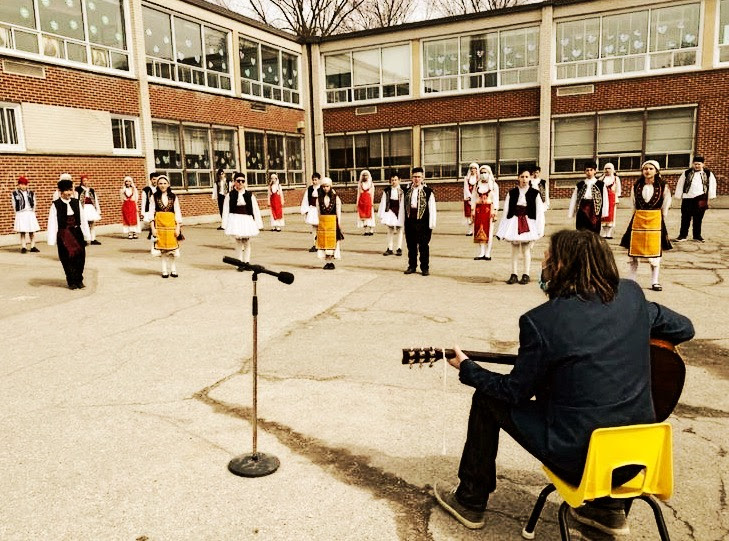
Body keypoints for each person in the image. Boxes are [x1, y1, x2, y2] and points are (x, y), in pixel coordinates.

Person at [435, 229, 694, 535]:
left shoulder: (541, 321)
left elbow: (514, 392)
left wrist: (468, 368)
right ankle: (606, 511)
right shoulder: (632, 296)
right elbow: (684, 328)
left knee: (487, 400)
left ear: (561, 267)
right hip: (638, 457)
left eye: (547, 260)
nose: (543, 267)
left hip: (581, 458)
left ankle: (470, 502)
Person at [620, 160, 672, 292]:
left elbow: (666, 202)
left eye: (650, 169)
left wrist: (662, 217)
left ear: (656, 171)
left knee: (654, 253)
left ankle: (655, 281)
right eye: (645, 169)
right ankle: (631, 280)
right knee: (633, 252)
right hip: (638, 219)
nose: (647, 171)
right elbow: (633, 202)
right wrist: (634, 216)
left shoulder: (663, 186)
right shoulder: (637, 185)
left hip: (655, 220)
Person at [495, 168, 545, 284]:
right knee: (514, 249)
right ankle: (514, 274)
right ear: (518, 178)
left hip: (528, 221)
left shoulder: (534, 193)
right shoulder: (512, 193)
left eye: (527, 177)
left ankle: (526, 274)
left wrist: (539, 229)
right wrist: (503, 229)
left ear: (530, 178)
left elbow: (539, 212)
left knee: (526, 249)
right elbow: (506, 211)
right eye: (522, 177)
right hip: (514, 221)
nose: (524, 179)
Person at [47, 178, 91, 289]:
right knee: (67, 258)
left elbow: (83, 219)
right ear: (60, 192)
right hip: (64, 235)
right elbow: (52, 222)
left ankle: (79, 279)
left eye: (70, 190)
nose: (68, 193)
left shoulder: (76, 203)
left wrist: (87, 235)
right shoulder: (56, 205)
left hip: (76, 233)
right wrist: (52, 239)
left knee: (80, 257)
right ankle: (71, 280)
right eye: (66, 191)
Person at [401, 167, 437, 276]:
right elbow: (403, 208)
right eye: (415, 177)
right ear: (411, 178)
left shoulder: (428, 192)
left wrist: (432, 223)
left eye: (419, 177)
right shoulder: (406, 191)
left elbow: (432, 208)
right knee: (411, 245)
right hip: (410, 222)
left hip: (423, 223)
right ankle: (412, 266)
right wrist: (401, 222)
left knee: (423, 246)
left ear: (423, 178)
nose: (417, 179)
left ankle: (425, 267)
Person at [674, 155, 717, 242]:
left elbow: (712, 185)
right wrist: (678, 195)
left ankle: (697, 236)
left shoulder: (708, 173)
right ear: (693, 164)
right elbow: (680, 184)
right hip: (688, 197)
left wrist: (711, 196)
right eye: (695, 164)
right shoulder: (687, 173)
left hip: (701, 198)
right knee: (685, 217)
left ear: (703, 164)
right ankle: (683, 235)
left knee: (698, 218)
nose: (697, 166)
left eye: (699, 164)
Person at [222, 172, 263, 264]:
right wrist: (225, 223)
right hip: (235, 219)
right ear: (234, 182)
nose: (240, 183)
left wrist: (258, 223)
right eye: (238, 181)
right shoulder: (230, 195)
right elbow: (225, 210)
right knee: (238, 242)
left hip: (246, 219)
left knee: (247, 241)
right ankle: (239, 262)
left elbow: (255, 209)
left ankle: (246, 262)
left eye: (242, 181)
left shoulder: (249, 195)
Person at [150, 175, 182, 278]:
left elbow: (177, 212)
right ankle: (164, 270)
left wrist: (178, 228)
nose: (162, 185)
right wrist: (153, 228)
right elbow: (151, 213)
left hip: (171, 226)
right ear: (157, 185)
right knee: (163, 250)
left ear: (168, 184)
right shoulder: (154, 197)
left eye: (164, 183)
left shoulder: (173, 196)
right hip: (160, 226)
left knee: (172, 250)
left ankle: (173, 269)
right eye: (160, 183)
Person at [567, 160, 609, 234]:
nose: (589, 172)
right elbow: (574, 199)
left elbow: (605, 199)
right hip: (582, 208)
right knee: (581, 229)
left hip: (595, 209)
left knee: (594, 229)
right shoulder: (580, 185)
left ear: (595, 171)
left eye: (591, 170)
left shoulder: (601, 184)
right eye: (587, 170)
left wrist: (604, 212)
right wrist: (571, 212)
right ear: (584, 172)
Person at [470, 165, 499, 261]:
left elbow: (496, 199)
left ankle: (488, 253)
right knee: (479, 230)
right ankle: (481, 252)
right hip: (479, 209)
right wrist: (472, 210)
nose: (483, 174)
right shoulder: (477, 185)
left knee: (489, 231)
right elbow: (473, 197)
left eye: (485, 172)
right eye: (481, 172)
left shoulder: (493, 185)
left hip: (488, 209)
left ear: (489, 173)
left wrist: (495, 210)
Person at [315, 177, 343, 270]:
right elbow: (318, 212)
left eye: (327, 186)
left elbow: (338, 211)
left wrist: (339, 223)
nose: (325, 188)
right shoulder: (319, 199)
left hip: (332, 223)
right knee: (324, 243)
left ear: (330, 186)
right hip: (323, 223)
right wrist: (318, 223)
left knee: (332, 243)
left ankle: (331, 262)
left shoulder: (336, 198)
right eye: (323, 186)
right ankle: (327, 262)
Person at [11, 176, 40, 253]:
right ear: (19, 185)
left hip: (29, 212)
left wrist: (33, 211)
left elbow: (34, 202)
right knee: (22, 231)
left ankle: (33, 246)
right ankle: (23, 246)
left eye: (25, 184)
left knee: (32, 230)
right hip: (21, 213)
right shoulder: (15, 193)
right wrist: (17, 213)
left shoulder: (31, 193)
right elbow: (14, 204)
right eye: (22, 184)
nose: (23, 186)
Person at [378, 173, 404, 256]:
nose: (394, 182)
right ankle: (390, 248)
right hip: (390, 210)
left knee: (400, 229)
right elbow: (383, 202)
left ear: (399, 180)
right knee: (390, 229)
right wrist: (382, 214)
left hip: (400, 211)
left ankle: (399, 248)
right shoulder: (387, 190)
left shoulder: (403, 190)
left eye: (395, 180)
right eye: (392, 180)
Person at [75, 174, 102, 245]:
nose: (85, 182)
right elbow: (76, 199)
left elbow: (95, 200)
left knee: (92, 223)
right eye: (84, 181)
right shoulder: (78, 189)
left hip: (91, 208)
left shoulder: (91, 190)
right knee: (84, 224)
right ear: (81, 182)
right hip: (83, 208)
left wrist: (97, 209)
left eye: (87, 180)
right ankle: (84, 239)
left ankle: (93, 238)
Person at [600, 163, 621, 239]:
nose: (607, 170)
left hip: (611, 199)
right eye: (606, 168)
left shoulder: (615, 179)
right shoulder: (601, 179)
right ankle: (604, 232)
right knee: (603, 215)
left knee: (611, 216)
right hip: (603, 199)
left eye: (609, 168)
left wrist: (616, 198)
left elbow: (618, 190)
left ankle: (609, 233)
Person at [301, 172, 321, 252]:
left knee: (320, 227)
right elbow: (306, 199)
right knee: (314, 228)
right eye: (313, 180)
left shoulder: (322, 188)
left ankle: (321, 243)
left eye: (316, 180)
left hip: (319, 210)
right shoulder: (309, 189)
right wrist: (306, 210)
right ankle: (314, 244)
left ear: (319, 180)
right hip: (312, 209)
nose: (314, 181)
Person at [356, 169, 376, 236]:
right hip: (361, 201)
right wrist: (357, 202)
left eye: (366, 175)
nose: (365, 177)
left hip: (368, 201)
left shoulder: (371, 184)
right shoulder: (360, 184)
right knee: (363, 216)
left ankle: (371, 230)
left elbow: (372, 193)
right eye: (363, 175)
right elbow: (358, 193)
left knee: (370, 215)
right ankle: (365, 230)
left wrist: (372, 202)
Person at [141, 172, 159, 241]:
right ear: (151, 180)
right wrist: (143, 212)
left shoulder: (160, 188)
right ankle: (153, 242)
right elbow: (144, 201)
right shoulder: (146, 190)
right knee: (153, 226)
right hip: (150, 210)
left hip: (158, 210)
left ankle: (158, 242)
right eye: (154, 179)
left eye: (157, 180)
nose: (155, 181)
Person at [463, 163, 479, 235]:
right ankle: (470, 231)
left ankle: (477, 230)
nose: (473, 170)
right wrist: (469, 197)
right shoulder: (466, 178)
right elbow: (466, 188)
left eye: (474, 168)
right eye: (471, 168)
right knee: (469, 215)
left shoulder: (478, 179)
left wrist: (475, 197)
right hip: (468, 198)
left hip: (477, 199)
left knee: (477, 215)